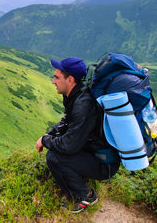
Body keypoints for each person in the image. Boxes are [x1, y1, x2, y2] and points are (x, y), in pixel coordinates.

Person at [35, 56, 120, 214]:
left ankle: (84, 196)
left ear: (70, 79)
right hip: (94, 152)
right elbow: (68, 120)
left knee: (54, 157)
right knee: (57, 151)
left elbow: (68, 146)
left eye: (57, 77)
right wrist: (51, 133)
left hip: (105, 164)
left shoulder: (83, 105)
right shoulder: (76, 95)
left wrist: (45, 140)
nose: (53, 81)